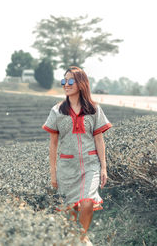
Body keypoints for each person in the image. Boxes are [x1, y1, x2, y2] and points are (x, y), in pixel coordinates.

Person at [42, 66, 112, 244]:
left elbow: (99, 140)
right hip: (67, 167)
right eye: (64, 81)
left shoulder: (94, 110)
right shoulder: (57, 111)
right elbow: (53, 144)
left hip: (90, 165)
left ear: (81, 84)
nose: (66, 84)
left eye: (71, 81)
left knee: (87, 202)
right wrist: (53, 173)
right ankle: (77, 239)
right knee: (71, 211)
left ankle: (81, 239)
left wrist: (103, 167)